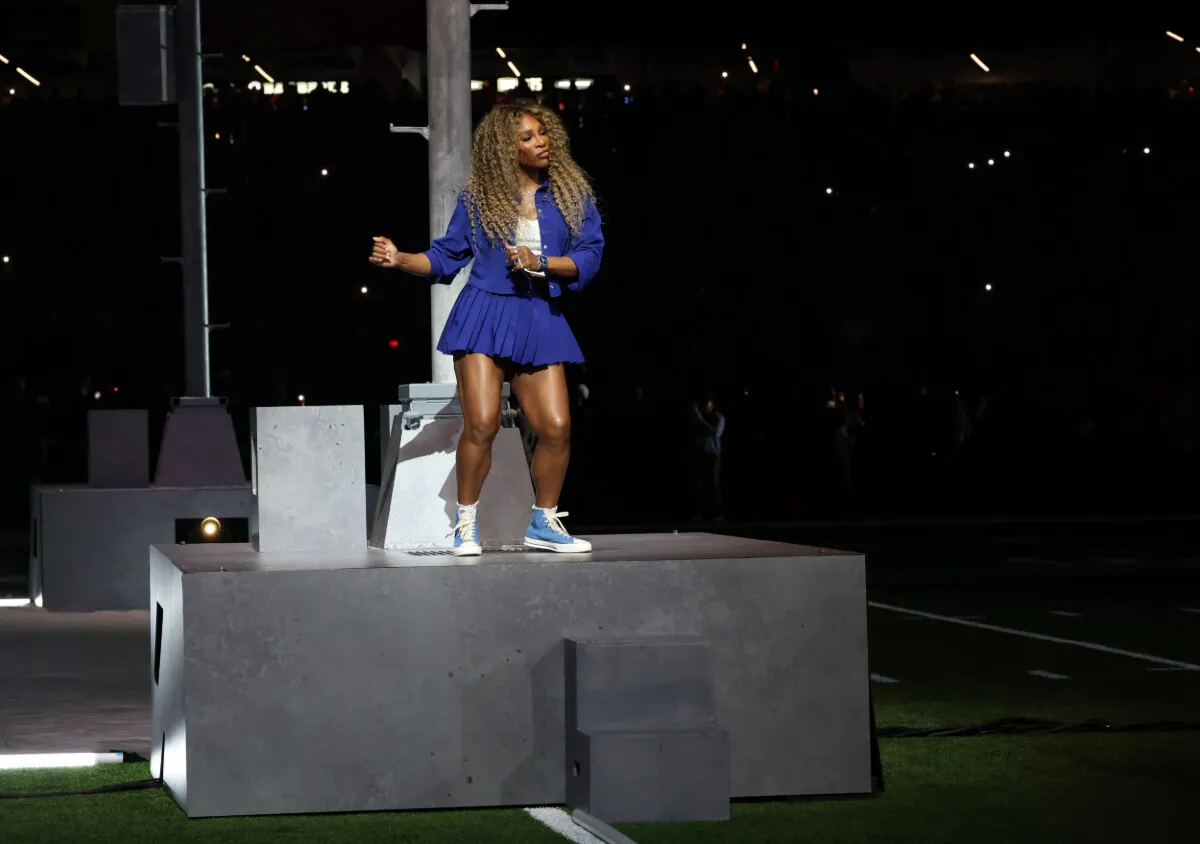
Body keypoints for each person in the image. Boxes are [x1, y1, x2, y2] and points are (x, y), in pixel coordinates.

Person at [369, 101, 603, 556]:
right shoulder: (480, 200)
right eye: (528, 137)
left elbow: (590, 255)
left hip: (539, 316)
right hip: (485, 315)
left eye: (543, 133)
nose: (542, 142)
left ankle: (543, 522)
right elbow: (443, 258)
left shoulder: (571, 197)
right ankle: (466, 523)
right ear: (505, 148)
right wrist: (400, 259)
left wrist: (543, 263)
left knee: (556, 427)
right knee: (482, 423)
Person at [689, 396, 725, 521]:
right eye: (705, 406)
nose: (706, 408)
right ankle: (699, 513)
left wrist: (701, 420)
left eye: (708, 405)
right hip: (702, 454)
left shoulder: (719, 418)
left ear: (712, 405)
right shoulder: (700, 418)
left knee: (714, 484)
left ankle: (718, 513)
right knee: (699, 484)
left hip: (714, 455)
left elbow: (715, 433)